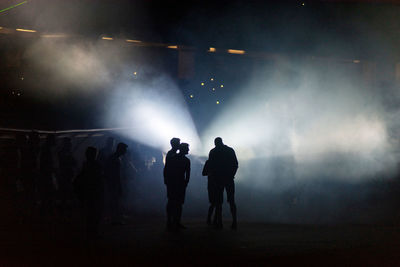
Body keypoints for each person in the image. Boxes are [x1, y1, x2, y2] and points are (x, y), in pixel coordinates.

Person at [207, 137, 238, 229]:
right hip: (228, 179)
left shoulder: (213, 152)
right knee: (231, 201)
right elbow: (235, 164)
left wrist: (213, 178)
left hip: (218, 180)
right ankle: (234, 222)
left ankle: (219, 222)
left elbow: (211, 167)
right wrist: (231, 175)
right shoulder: (229, 150)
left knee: (218, 202)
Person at [74, 147, 104, 239]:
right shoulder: (96, 165)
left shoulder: (86, 164)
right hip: (94, 192)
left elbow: (81, 177)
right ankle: (94, 232)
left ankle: (90, 232)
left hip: (89, 191)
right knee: (95, 213)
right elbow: (99, 178)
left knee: (90, 213)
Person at [164, 142, 190, 231]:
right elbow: (188, 174)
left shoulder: (173, 158)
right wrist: (186, 183)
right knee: (178, 203)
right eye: (187, 148)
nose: (188, 150)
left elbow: (166, 169)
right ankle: (176, 222)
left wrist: (167, 181)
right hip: (180, 183)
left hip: (173, 183)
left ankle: (170, 221)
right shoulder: (186, 160)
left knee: (172, 201)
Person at [104, 142, 128, 224]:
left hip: (112, 183)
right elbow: (115, 174)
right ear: (121, 149)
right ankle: (115, 219)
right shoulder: (115, 159)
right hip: (113, 183)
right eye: (124, 149)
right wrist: (119, 185)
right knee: (115, 201)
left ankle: (115, 217)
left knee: (115, 200)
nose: (125, 151)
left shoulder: (115, 158)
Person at [163, 137, 180, 229]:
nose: (179, 145)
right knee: (172, 201)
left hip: (171, 180)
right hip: (172, 180)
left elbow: (166, 168)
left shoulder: (171, 154)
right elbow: (167, 168)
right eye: (178, 143)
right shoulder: (171, 154)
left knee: (173, 200)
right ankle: (170, 220)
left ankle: (172, 220)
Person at [202, 159, 217, 226]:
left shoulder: (209, 161)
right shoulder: (219, 161)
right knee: (216, 203)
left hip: (211, 184)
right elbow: (204, 173)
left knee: (213, 203)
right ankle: (214, 220)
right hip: (215, 185)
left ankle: (210, 219)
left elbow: (204, 173)